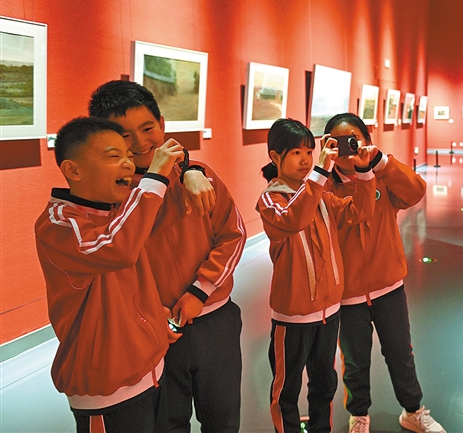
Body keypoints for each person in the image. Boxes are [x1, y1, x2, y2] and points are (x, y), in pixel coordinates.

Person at [88, 81, 246, 433]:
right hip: (156, 330)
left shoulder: (200, 175)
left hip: (214, 318)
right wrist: (146, 312)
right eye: (124, 135)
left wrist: (200, 291)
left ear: (162, 123)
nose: (140, 142)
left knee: (223, 419)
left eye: (148, 128)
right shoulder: (110, 198)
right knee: (167, 423)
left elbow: (233, 235)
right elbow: (115, 265)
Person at [34, 116, 184, 432]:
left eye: (128, 156)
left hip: (151, 372)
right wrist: (154, 177)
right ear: (73, 170)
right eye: (114, 156)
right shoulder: (59, 223)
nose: (128, 163)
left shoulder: (117, 212)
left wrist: (150, 321)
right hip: (106, 391)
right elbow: (116, 249)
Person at [323, 113, 445, 433]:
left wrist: (381, 163)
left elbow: (416, 191)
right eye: (338, 143)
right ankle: (359, 415)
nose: (347, 149)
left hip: (388, 285)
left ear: (366, 140)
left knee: (400, 354)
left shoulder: (382, 177)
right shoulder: (323, 186)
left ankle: (413, 411)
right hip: (347, 292)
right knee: (354, 361)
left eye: (354, 139)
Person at [256, 118, 376, 433]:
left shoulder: (319, 194)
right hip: (292, 316)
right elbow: (292, 220)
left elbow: (358, 212)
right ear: (275, 156)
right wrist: (320, 173)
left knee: (324, 384)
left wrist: (364, 172)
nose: (306, 160)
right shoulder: (271, 200)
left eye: (309, 152)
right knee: (287, 390)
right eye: (296, 153)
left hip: (328, 312)